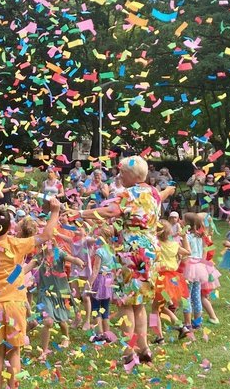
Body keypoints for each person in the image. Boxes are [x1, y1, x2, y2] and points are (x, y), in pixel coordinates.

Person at [79, 156, 174, 365]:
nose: (119, 175)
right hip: (150, 251)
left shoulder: (127, 194)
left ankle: (129, 352)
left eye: (122, 172)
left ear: (133, 175)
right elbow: (166, 194)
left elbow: (109, 211)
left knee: (125, 303)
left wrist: (80, 213)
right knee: (139, 304)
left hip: (131, 252)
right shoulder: (153, 193)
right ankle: (145, 348)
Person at [0, 199, 61, 389]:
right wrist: (55, 211)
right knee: (14, 352)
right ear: (9, 226)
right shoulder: (16, 245)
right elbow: (46, 235)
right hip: (15, 304)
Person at [151, 222, 190, 343]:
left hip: (160, 280)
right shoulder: (174, 245)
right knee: (159, 306)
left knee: (154, 308)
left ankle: (159, 336)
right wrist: (184, 238)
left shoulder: (156, 245)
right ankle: (180, 327)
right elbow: (188, 252)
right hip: (173, 280)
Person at [183, 213, 221, 327]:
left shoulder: (187, 237)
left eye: (183, 220)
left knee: (186, 296)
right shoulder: (200, 237)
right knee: (196, 296)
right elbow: (205, 251)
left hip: (190, 267)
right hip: (199, 266)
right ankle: (197, 322)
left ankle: (188, 323)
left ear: (187, 224)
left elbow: (186, 252)